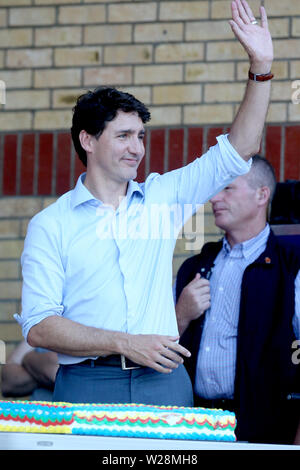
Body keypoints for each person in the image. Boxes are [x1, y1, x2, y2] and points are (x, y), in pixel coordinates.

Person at [15, 0, 274, 406]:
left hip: (164, 383)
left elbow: (240, 149)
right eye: (123, 136)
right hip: (87, 386)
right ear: (88, 140)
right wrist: (125, 343)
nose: (137, 148)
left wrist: (261, 68)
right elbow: (40, 327)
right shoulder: (51, 224)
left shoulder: (162, 196)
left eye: (141, 136)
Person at [175, 155, 300, 444]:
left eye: (228, 188)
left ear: (262, 195)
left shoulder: (292, 267)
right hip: (194, 430)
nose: (214, 197)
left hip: (268, 435)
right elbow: (158, 350)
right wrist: (181, 314)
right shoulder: (193, 268)